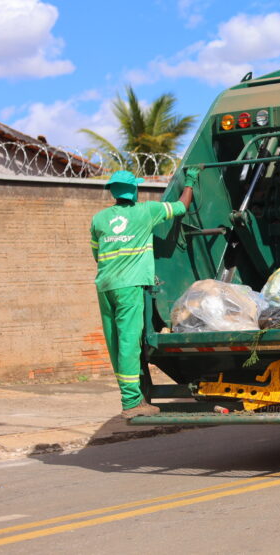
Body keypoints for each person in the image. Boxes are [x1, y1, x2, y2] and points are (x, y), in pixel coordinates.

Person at [90, 168, 199, 419]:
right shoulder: (146, 211)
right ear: (134, 190)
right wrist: (190, 183)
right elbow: (181, 207)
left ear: (113, 191)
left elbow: (97, 254)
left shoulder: (98, 219)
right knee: (129, 343)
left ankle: (131, 395)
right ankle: (131, 402)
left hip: (105, 285)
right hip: (129, 287)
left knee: (115, 343)